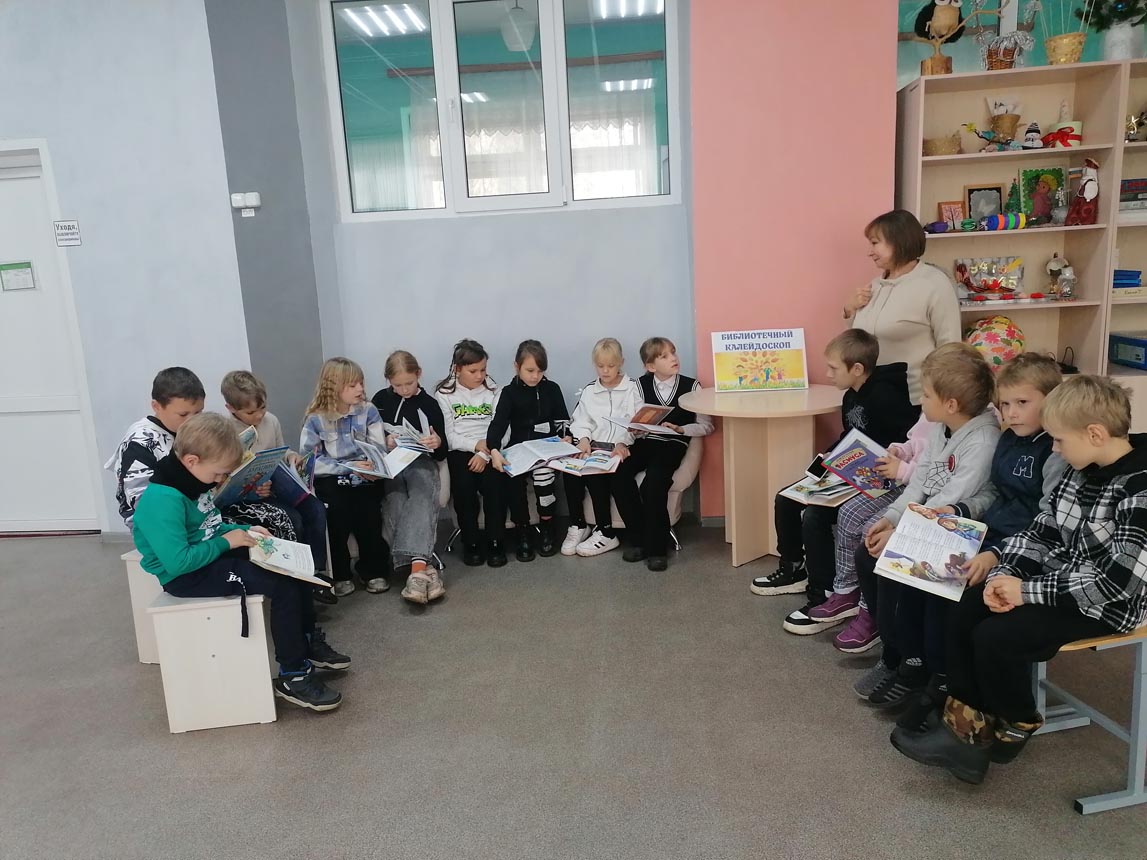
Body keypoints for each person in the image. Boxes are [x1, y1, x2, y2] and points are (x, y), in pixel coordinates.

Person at [890, 375, 1147, 785]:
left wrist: (1025, 592)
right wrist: (1005, 573)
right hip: (1058, 582)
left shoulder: (1138, 490)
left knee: (996, 638)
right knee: (967, 604)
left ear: (1095, 434)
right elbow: (1041, 531)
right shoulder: (1080, 470)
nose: (1054, 449)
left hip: (1106, 605)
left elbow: (1117, 584)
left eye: (1059, 440)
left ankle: (1018, 718)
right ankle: (965, 735)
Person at [895, 352, 1067, 731]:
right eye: (1005, 404)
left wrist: (995, 553)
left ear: (1052, 401)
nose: (1012, 413)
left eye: (1023, 403)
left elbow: (1046, 522)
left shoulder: (1055, 452)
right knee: (917, 569)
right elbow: (993, 493)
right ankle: (928, 672)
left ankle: (953, 690)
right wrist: (958, 509)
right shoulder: (1009, 440)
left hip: (1021, 550)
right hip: (988, 532)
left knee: (952, 593)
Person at [132, 413, 349, 712]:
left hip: (208, 554)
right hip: (187, 576)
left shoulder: (192, 482)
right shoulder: (162, 500)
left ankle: (304, 642)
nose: (220, 480)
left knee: (294, 570)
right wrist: (228, 541)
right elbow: (178, 562)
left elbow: (208, 525)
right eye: (218, 474)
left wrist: (245, 530)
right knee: (281, 586)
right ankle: (294, 675)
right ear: (192, 461)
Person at [855, 343, 999, 709]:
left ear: (950, 404)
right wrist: (889, 519)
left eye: (927, 394)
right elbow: (918, 485)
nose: (920, 401)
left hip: (957, 529)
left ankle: (913, 663)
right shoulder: (941, 427)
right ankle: (894, 652)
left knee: (897, 570)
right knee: (866, 556)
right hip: (927, 523)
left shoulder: (983, 440)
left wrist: (900, 533)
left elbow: (950, 499)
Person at [749, 329, 918, 636]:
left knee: (815, 515)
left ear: (857, 368)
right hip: (851, 472)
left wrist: (864, 460)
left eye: (833, 368)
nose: (828, 374)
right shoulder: (851, 394)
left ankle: (823, 594)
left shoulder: (887, 396)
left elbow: (903, 443)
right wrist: (829, 457)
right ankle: (793, 568)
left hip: (881, 480)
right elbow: (850, 436)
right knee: (787, 498)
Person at [221, 370, 334, 603]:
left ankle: (315, 571)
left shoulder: (270, 420)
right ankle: (298, 577)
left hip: (275, 485)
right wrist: (253, 488)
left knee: (315, 509)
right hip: (246, 498)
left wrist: (292, 457)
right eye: (251, 412)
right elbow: (225, 478)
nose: (259, 415)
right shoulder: (224, 431)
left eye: (262, 407)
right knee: (293, 519)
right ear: (231, 408)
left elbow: (280, 451)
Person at [832, 412, 938, 655]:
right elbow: (916, 443)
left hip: (918, 493)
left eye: (927, 395)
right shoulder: (934, 419)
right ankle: (846, 591)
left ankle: (869, 612)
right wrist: (900, 450)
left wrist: (903, 469)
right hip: (904, 483)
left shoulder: (973, 433)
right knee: (849, 514)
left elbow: (936, 479)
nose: (921, 401)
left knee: (871, 533)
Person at [612, 337, 713, 571]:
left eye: (673, 353)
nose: (673, 358)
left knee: (653, 483)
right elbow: (631, 420)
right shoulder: (638, 386)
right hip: (646, 441)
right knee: (619, 475)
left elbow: (707, 426)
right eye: (664, 356)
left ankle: (657, 548)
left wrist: (681, 429)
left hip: (673, 444)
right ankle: (638, 539)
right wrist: (632, 432)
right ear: (650, 366)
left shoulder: (692, 386)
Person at [845, 209, 962, 405]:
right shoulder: (875, 285)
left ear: (897, 241)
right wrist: (849, 310)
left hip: (914, 400)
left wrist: (941, 399)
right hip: (872, 397)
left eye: (875, 243)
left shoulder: (934, 284)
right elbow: (861, 340)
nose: (869, 252)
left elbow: (950, 348)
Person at [301, 357, 390, 597]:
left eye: (361, 383)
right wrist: (348, 467)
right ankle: (340, 573)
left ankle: (372, 570)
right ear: (333, 388)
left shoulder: (369, 411)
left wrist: (372, 467)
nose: (360, 389)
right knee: (336, 514)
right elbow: (310, 462)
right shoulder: (315, 419)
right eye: (352, 385)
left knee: (369, 515)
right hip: (333, 476)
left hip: (366, 476)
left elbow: (379, 448)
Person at [371, 350, 447, 604]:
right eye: (397, 385)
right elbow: (370, 438)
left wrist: (436, 442)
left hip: (421, 461)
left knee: (422, 493)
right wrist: (385, 441)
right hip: (392, 463)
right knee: (394, 498)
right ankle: (425, 569)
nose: (404, 390)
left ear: (419, 375)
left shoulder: (430, 404)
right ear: (388, 381)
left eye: (409, 383)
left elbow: (442, 450)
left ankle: (415, 571)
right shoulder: (380, 400)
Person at [488, 340, 571, 562]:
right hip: (519, 449)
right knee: (513, 480)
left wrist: (567, 437)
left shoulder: (552, 389)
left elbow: (562, 421)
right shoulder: (509, 393)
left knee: (544, 477)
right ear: (517, 367)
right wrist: (493, 449)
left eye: (540, 371)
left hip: (546, 448)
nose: (535, 376)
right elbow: (497, 425)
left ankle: (547, 526)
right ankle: (522, 530)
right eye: (530, 370)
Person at [563, 337, 642, 558]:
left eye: (611, 366)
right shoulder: (590, 391)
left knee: (600, 474)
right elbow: (581, 420)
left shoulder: (633, 389)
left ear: (621, 363)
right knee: (573, 470)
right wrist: (583, 439)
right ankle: (581, 525)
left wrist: (622, 442)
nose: (605, 371)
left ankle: (606, 531)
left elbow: (635, 422)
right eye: (600, 366)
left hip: (620, 448)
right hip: (594, 447)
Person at [435, 339, 506, 568]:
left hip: (491, 449)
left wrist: (485, 453)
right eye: (473, 371)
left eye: (483, 370)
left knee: (494, 486)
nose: (479, 376)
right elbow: (448, 436)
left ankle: (496, 541)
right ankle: (471, 542)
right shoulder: (444, 393)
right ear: (458, 369)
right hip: (461, 450)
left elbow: (503, 428)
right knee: (464, 489)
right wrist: (475, 445)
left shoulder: (494, 390)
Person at [106, 367, 205, 528]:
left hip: (193, 514)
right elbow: (142, 505)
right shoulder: (139, 443)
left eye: (198, 412)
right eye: (183, 414)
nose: (192, 420)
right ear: (156, 406)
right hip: (160, 527)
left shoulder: (186, 431)